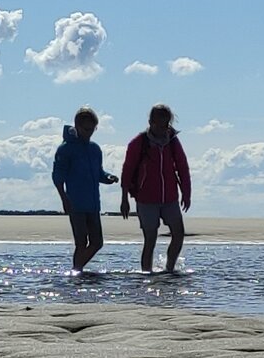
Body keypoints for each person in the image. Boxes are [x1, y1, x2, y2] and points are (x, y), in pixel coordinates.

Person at [120, 104, 191, 273]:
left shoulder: (173, 142)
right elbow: (127, 171)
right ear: (150, 122)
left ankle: (169, 269)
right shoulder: (139, 143)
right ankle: (147, 273)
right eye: (158, 124)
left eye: (166, 125)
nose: (162, 129)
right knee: (150, 239)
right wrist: (124, 199)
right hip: (146, 199)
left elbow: (182, 167)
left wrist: (186, 193)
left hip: (170, 198)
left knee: (178, 234)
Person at [52, 107, 118, 271]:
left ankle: (77, 269)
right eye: (86, 129)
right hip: (75, 203)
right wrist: (64, 198)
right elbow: (57, 176)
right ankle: (77, 272)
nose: (89, 133)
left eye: (92, 129)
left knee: (97, 242)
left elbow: (99, 173)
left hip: (93, 204)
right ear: (77, 126)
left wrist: (108, 177)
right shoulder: (65, 149)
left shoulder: (95, 149)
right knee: (81, 242)